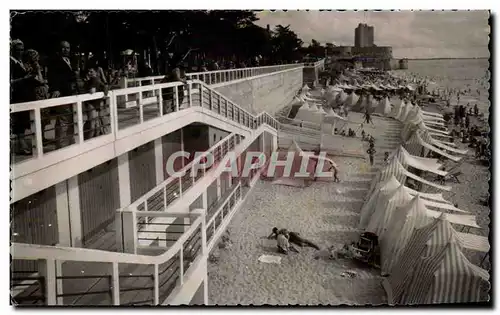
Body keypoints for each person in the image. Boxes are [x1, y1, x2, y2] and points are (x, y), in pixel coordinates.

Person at [48, 41, 79, 149]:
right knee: (64, 119)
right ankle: (61, 143)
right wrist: (55, 89)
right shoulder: (55, 61)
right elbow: (52, 76)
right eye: (63, 48)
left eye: (67, 48)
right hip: (62, 93)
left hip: (71, 93)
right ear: (59, 49)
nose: (65, 50)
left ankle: (69, 140)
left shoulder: (71, 61)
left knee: (70, 118)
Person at [10, 39, 32, 155]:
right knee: (18, 120)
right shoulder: (10, 62)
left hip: (25, 94)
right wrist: (23, 79)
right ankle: (21, 144)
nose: (20, 52)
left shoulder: (21, 61)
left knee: (23, 120)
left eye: (22, 50)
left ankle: (21, 143)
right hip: (16, 94)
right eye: (17, 50)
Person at [83, 67, 109, 139]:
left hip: (92, 103)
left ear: (95, 72)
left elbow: (92, 90)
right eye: (89, 72)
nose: (89, 73)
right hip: (95, 103)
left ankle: (89, 140)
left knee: (93, 124)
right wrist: (105, 94)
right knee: (95, 124)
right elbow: (106, 86)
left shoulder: (94, 79)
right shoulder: (96, 79)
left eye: (91, 72)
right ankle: (94, 139)